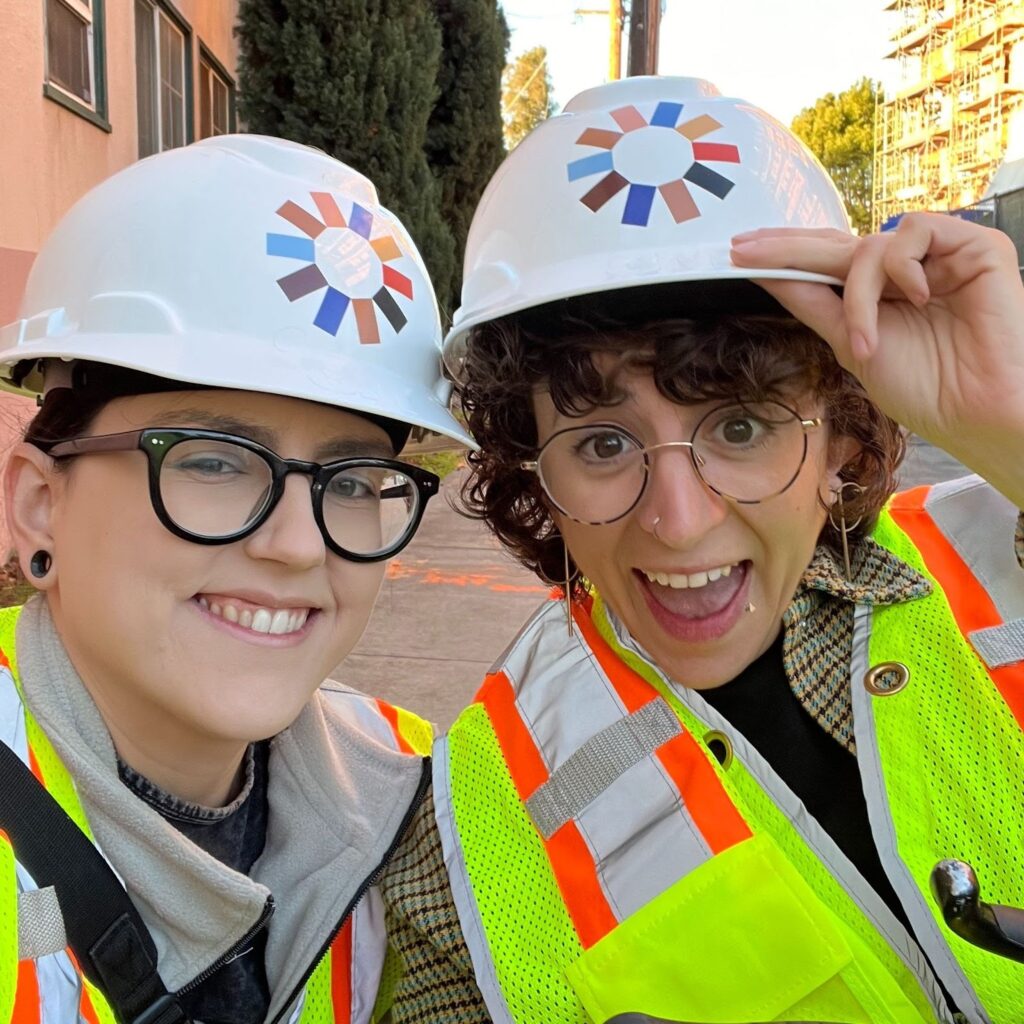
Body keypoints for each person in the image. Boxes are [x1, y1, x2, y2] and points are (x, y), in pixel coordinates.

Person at [426, 76, 1024, 1023]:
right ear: (533, 473)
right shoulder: (477, 803)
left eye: (741, 428)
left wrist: (1015, 430)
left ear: (838, 438)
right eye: (603, 444)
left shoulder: (1002, 564)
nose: (680, 519)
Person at [0, 134, 484, 1024]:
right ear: (38, 505)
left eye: (348, 481)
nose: (299, 545)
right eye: (215, 463)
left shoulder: (410, 788)